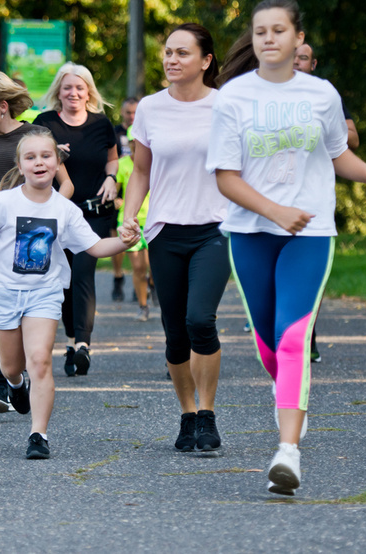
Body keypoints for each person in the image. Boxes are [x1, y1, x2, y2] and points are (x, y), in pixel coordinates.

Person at [207, 0, 366, 495]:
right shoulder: (233, 97)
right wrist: (274, 211)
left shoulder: (321, 94)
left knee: (293, 338)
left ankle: (288, 450)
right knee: (268, 343)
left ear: (299, 38)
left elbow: (338, 154)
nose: (268, 39)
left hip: (310, 233)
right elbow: (226, 177)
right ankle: (290, 395)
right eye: (260, 31)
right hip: (251, 233)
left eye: (278, 30)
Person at [0, 131, 138, 458]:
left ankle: (38, 435)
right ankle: (16, 386)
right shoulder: (3, 202)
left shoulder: (65, 209)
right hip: (3, 291)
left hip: (44, 293)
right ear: (20, 165)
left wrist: (124, 242)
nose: (39, 162)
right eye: (30, 157)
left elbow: (94, 246)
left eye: (46, 156)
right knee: (10, 366)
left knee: (40, 361)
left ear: (57, 163)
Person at [121, 24, 230, 454]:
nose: (171, 59)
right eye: (168, 52)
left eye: (182, 53)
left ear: (205, 61)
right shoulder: (150, 107)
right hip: (165, 230)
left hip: (215, 228)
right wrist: (130, 216)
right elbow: (141, 170)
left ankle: (208, 413)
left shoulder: (226, 107)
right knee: (175, 333)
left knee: (200, 319)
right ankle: (187, 415)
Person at [0, 70, 74, 411]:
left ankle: (29, 370)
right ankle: (2, 385)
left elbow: (66, 184)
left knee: (34, 303)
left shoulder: (34, 136)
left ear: (2, 107)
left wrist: (52, 216)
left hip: (32, 231)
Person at [34, 63, 119, 377]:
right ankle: (70, 341)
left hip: (94, 212)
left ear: (89, 92)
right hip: (56, 213)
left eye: (79, 87)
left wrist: (111, 179)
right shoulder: (44, 123)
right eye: (67, 87)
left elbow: (112, 158)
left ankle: (83, 344)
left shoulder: (101, 124)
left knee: (83, 271)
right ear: (58, 91)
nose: (73, 93)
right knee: (64, 277)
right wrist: (50, 153)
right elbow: (29, 158)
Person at [294, 41, 360, 363]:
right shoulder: (261, 94)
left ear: (314, 64)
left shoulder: (324, 96)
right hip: (270, 204)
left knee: (309, 279)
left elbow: (352, 138)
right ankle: (284, 332)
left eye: (303, 58)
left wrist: (317, 131)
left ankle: (307, 333)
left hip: (314, 201)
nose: (297, 62)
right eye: (294, 57)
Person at [114, 134, 152, 322]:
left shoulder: (155, 161)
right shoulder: (122, 164)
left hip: (153, 220)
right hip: (130, 220)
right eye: (133, 143)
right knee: (138, 267)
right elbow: (115, 190)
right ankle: (143, 306)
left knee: (154, 268)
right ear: (130, 143)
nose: (136, 146)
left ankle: (152, 285)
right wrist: (116, 199)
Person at [111, 97, 139, 302]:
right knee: (117, 236)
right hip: (119, 188)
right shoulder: (115, 133)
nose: (132, 116)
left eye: (135, 112)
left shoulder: (143, 131)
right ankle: (118, 276)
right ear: (122, 112)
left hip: (139, 189)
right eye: (128, 112)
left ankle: (143, 281)